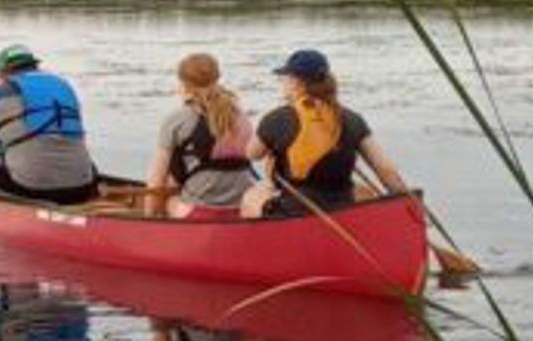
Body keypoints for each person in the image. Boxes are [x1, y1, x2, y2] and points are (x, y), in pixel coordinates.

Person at [241, 48, 409, 217]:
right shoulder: (352, 118)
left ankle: (263, 240)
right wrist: (408, 205)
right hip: (343, 208)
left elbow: (252, 154)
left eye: (284, 78)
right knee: (362, 191)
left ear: (296, 82)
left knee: (252, 196)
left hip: (294, 211)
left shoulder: (276, 118)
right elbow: (386, 170)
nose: (282, 83)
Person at [0, 44, 99, 205]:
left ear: (2, 74)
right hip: (82, 188)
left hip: (29, 191)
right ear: (36, 66)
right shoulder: (65, 88)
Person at [144, 53, 256, 218]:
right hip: (243, 208)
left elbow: (157, 180)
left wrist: (149, 215)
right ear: (217, 78)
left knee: (168, 195)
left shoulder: (177, 119)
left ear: (183, 83)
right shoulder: (241, 115)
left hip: (199, 211)